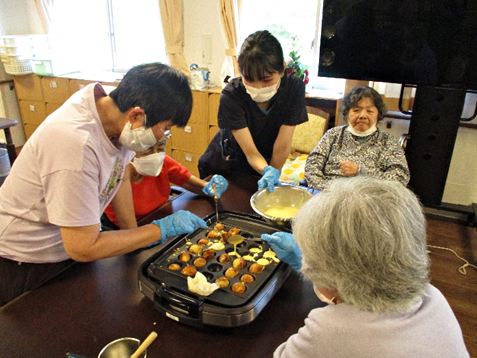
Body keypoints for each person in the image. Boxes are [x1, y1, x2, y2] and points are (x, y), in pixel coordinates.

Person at [0, 63, 208, 306]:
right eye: (165, 128)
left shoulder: (111, 117)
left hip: (67, 244)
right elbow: (82, 247)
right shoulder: (74, 145)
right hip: (27, 258)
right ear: (137, 115)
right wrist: (158, 230)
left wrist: (133, 237)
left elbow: (118, 176)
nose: (163, 136)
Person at [262, 177, 469, 357]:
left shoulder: (329, 331)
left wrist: (307, 265)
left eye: (311, 257)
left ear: (333, 272)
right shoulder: (434, 298)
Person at [198, 30, 308, 193]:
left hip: (265, 159)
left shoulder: (293, 89)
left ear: (282, 69)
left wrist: (273, 173)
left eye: (266, 79)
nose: (258, 87)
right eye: (249, 79)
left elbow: (282, 145)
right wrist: (267, 171)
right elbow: (250, 152)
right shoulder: (231, 95)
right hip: (228, 164)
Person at [102, 139, 228, 230]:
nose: (155, 155)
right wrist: (158, 230)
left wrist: (208, 187)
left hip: (159, 215)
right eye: (148, 149)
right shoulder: (117, 173)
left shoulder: (162, 161)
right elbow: (130, 232)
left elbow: (187, 180)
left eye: (160, 147)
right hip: (121, 229)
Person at [304, 86, 410, 190]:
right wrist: (326, 190)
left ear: (378, 114)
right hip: (329, 194)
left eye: (370, 111)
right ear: (347, 113)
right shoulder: (334, 134)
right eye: (356, 110)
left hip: (370, 199)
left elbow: (400, 178)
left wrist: (360, 171)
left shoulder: (387, 141)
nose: (363, 115)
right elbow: (312, 165)